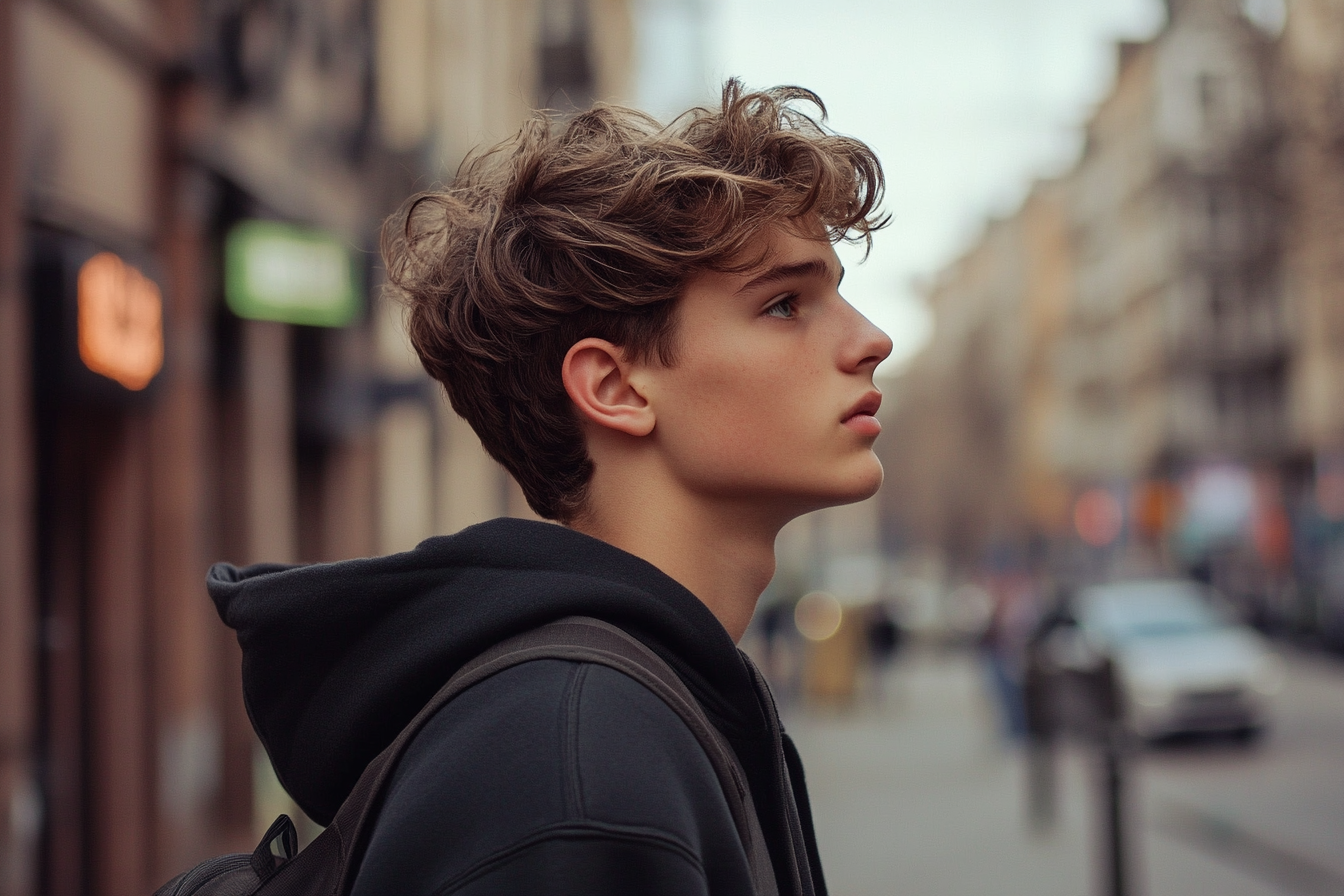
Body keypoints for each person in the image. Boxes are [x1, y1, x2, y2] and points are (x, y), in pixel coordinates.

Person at [208, 80, 892, 895]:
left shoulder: (643, 704)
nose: (871, 340)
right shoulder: (580, 760)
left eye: (839, 292)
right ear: (615, 388)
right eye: (785, 304)